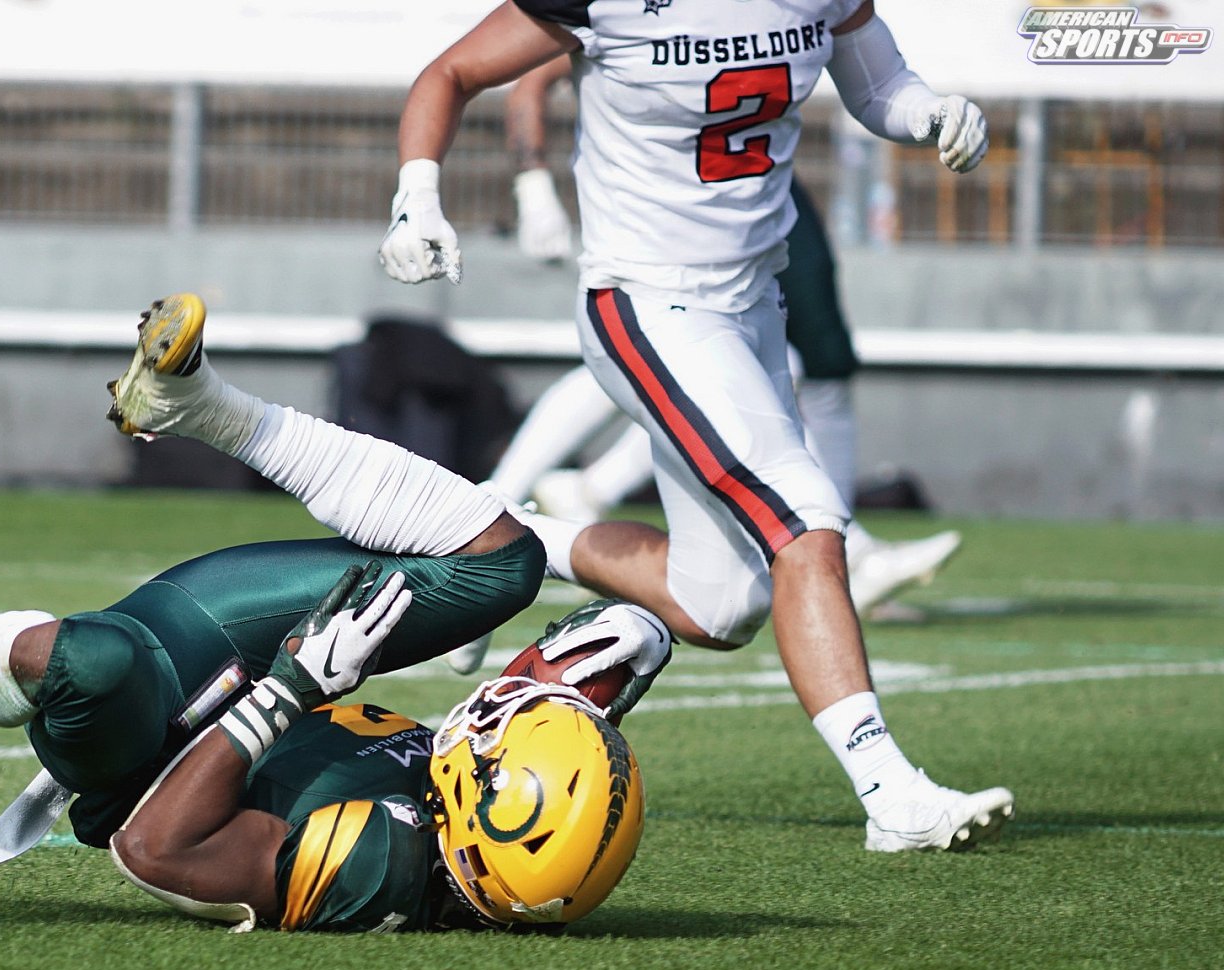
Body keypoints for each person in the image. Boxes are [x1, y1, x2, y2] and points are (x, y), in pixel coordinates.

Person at [0, 292, 664, 931]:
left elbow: (155, 849)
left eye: (501, 739)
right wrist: (623, 654)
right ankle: (199, 405)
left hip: (162, 753)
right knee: (504, 567)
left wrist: (288, 690)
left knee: (91, 662)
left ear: (487, 818)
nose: (496, 716)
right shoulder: (489, 830)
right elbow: (536, 725)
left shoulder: (380, 862)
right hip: (264, 679)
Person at [380, 0, 1014, 852]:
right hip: (648, 299)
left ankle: (493, 537)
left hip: (754, 303)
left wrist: (932, 110)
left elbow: (878, 86)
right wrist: (417, 195)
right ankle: (891, 794)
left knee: (720, 605)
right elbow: (451, 72)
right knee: (806, 524)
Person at [492, 54, 961, 617]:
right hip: (656, 209)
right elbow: (500, 71)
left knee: (725, 610)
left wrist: (922, 107)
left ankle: (541, 506)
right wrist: (529, 185)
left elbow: (865, 60)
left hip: (746, 196)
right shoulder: (626, 24)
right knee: (656, 358)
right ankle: (496, 517)